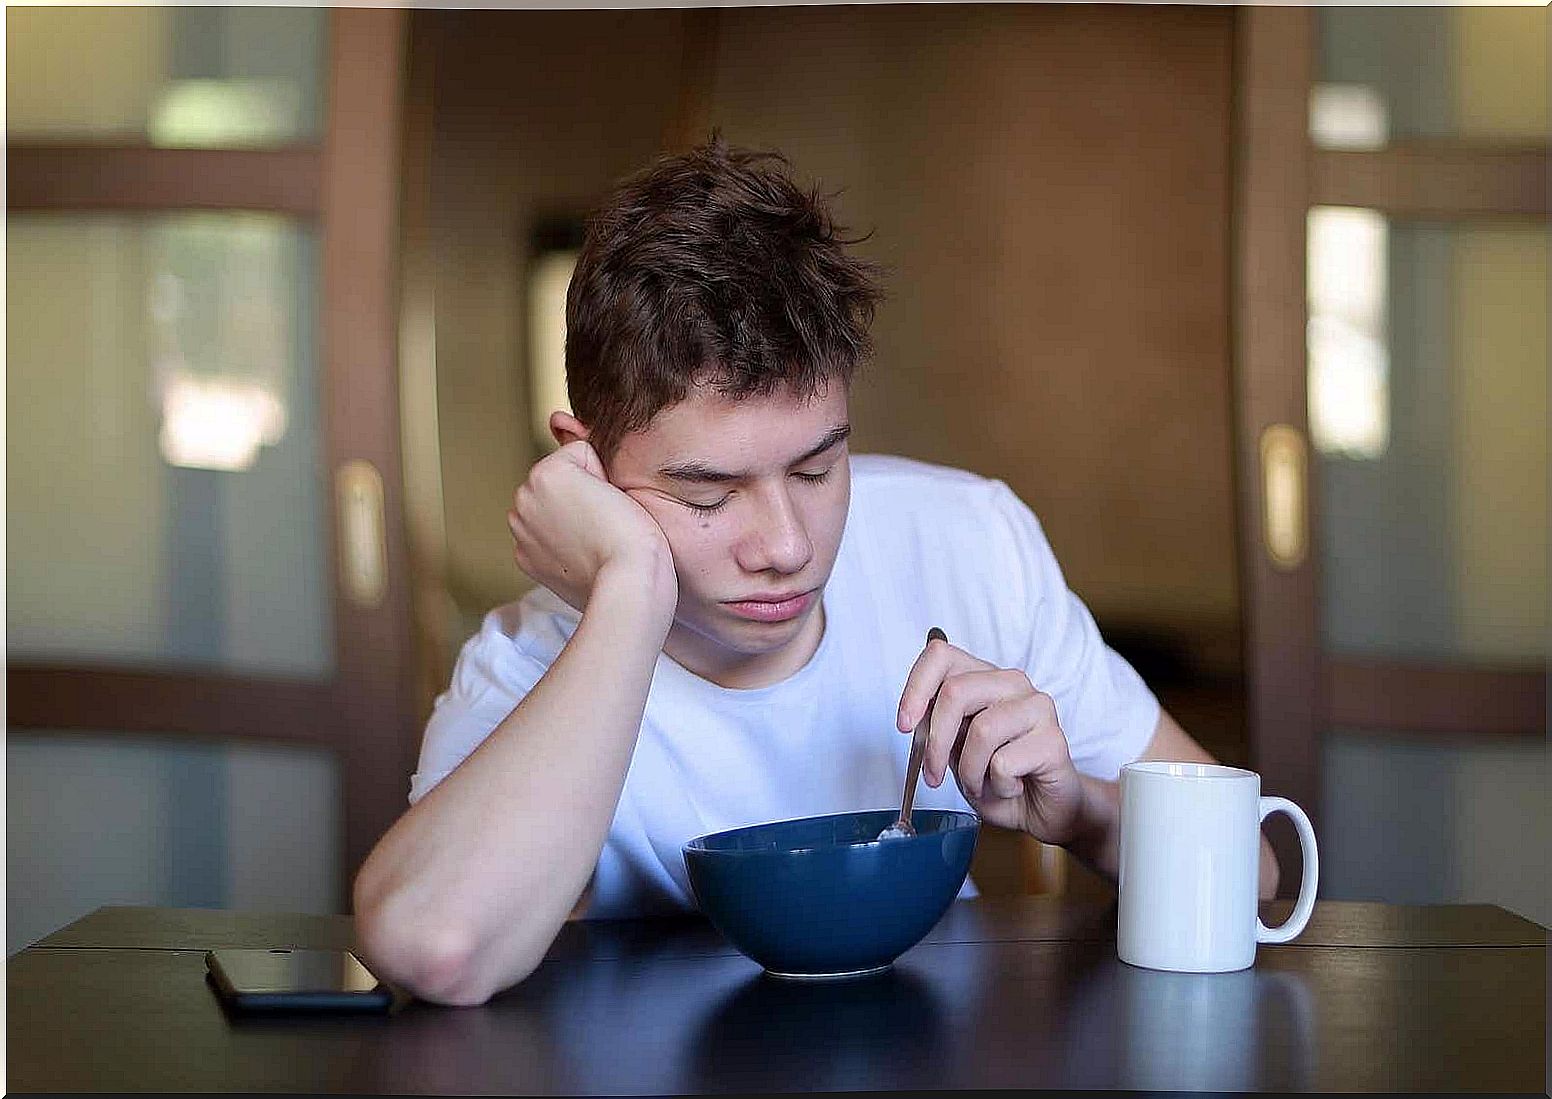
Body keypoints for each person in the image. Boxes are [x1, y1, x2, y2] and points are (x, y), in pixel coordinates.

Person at [353, 137, 1278, 1006]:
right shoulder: (528, 665)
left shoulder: (966, 539)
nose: (787, 544)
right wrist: (630, 587)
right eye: (708, 495)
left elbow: (1259, 871)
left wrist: (1079, 808)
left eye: (816, 469)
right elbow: (435, 943)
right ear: (582, 465)